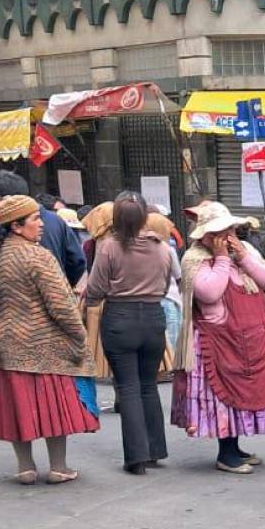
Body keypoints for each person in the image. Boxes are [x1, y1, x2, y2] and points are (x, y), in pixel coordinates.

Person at [0, 195, 98, 484]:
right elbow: (61, 305)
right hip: (42, 343)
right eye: (35, 219)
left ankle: (25, 467)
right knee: (51, 408)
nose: (41, 225)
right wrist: (79, 336)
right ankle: (58, 467)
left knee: (16, 407)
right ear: (16, 226)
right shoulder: (37, 256)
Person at [170, 203, 265, 475]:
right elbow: (209, 293)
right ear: (206, 235)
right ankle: (226, 452)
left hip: (251, 337)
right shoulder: (194, 259)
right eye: (223, 231)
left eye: (232, 229)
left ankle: (235, 446)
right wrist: (223, 259)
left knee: (244, 392)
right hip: (217, 339)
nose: (230, 234)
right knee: (222, 397)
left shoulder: (246, 252)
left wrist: (244, 257)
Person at [82, 191, 172, 476]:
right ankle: (155, 449)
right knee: (148, 385)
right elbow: (168, 281)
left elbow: (95, 287)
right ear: (145, 216)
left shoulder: (108, 247)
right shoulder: (162, 248)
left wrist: (93, 302)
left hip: (120, 317)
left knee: (129, 387)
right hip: (154, 317)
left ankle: (136, 456)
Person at [0, 170, 85, 286]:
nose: (40, 224)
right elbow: (76, 261)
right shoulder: (56, 220)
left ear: (0, 199)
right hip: (53, 290)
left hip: (10, 297)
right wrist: (64, 284)